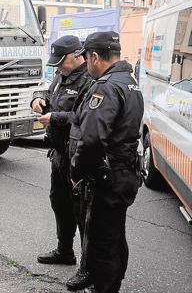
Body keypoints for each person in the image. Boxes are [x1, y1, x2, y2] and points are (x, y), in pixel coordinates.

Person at [69, 31, 143, 293]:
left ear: (95, 57)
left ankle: (105, 287)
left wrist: (76, 171)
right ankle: (110, 283)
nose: (87, 64)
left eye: (87, 58)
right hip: (126, 171)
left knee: (103, 238)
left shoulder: (105, 86)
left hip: (109, 174)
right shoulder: (129, 81)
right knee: (114, 233)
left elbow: (91, 140)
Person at [32, 35, 92, 291]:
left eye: (61, 61)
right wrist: (37, 98)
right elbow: (48, 91)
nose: (57, 67)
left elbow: (83, 116)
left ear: (77, 56)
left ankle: (87, 268)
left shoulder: (90, 80)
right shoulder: (61, 75)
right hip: (58, 153)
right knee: (60, 202)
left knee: (82, 213)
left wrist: (55, 117)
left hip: (76, 156)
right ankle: (64, 250)